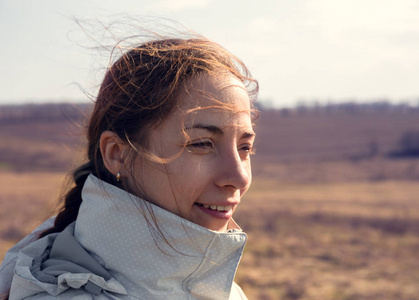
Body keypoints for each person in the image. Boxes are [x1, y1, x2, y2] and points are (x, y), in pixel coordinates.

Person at [0, 35, 258, 299]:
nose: (238, 177)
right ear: (117, 154)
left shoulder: (226, 293)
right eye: (202, 144)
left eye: (245, 147)